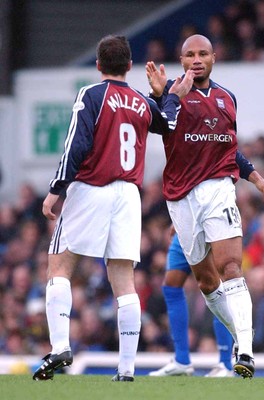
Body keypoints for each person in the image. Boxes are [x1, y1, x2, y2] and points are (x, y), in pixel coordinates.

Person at [32, 34, 194, 382]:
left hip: (92, 187)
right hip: (128, 196)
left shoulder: (91, 95)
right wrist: (171, 97)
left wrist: (55, 190)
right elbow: (166, 124)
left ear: (98, 65)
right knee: (124, 281)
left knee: (59, 266)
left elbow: (77, 144)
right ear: (130, 66)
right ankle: (126, 368)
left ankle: (60, 345)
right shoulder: (140, 101)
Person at [146, 34, 264, 379]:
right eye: (189, 54)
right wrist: (163, 95)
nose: (196, 59)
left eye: (202, 53)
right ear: (181, 59)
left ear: (214, 58)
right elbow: (158, 125)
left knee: (231, 266)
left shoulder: (226, 98)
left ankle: (246, 353)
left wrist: (257, 179)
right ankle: (240, 338)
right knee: (206, 283)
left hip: (218, 190)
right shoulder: (170, 94)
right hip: (180, 198)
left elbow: (228, 148)